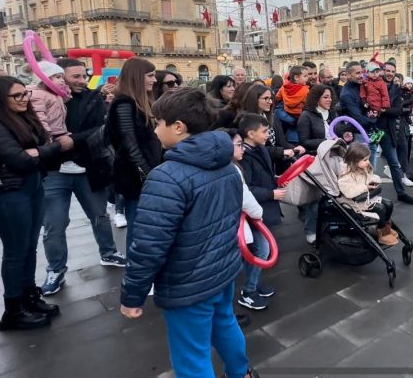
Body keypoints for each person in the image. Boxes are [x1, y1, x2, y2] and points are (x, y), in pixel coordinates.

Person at [119, 88, 260, 378]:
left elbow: (148, 245)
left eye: (159, 122)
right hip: (222, 269)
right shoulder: (228, 164)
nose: (156, 130)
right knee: (225, 323)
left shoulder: (167, 176)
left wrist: (132, 295)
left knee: (191, 354)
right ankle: (241, 372)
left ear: (179, 127)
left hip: (187, 281)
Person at [0, 76, 71, 330]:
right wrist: (46, 150)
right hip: (6, 192)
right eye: (17, 96)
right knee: (16, 251)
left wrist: (40, 151)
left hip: (31, 186)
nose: (25, 99)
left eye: (25, 93)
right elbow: (21, 160)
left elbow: (41, 149)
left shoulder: (22, 116)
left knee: (28, 248)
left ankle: (29, 297)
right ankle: (13, 311)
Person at [40, 59, 125, 297]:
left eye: (83, 75)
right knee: (54, 224)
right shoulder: (40, 97)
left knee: (99, 215)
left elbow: (102, 130)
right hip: (54, 170)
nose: (82, 80)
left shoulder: (93, 98)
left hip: (88, 167)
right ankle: (56, 270)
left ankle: (108, 252)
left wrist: (72, 140)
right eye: (75, 76)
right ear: (57, 76)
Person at [106, 58, 162, 249]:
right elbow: (130, 144)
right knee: (139, 227)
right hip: (135, 176)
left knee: (146, 226)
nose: (154, 80)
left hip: (142, 173)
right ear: (137, 77)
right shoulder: (124, 103)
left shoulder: (139, 102)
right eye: (150, 75)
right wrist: (147, 173)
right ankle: (135, 273)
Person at [237, 113, 288, 301]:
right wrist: (270, 193)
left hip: (262, 208)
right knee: (262, 249)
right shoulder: (244, 157)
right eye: (264, 131)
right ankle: (249, 291)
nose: (268, 135)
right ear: (251, 133)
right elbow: (245, 188)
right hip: (254, 211)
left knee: (259, 249)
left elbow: (264, 175)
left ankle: (254, 282)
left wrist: (275, 181)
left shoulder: (261, 149)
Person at [370, 62, 413, 204]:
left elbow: (398, 111)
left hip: (386, 131)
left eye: (393, 71)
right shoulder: (371, 84)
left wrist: (381, 110)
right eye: (387, 70)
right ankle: (368, 194)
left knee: (394, 163)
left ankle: (401, 192)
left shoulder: (396, 89)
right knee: (367, 164)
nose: (390, 73)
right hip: (370, 129)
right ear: (382, 71)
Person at [297, 84, 337, 242]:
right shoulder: (306, 116)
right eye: (325, 97)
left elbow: (338, 131)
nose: (329, 100)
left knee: (334, 194)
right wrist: (326, 141)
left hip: (332, 159)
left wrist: (345, 136)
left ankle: (331, 224)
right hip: (315, 161)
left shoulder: (333, 113)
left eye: (330, 96)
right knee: (315, 198)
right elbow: (304, 141)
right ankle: (311, 229)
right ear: (316, 98)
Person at [338, 143, 398, 246]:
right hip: (356, 203)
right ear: (355, 161)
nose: (368, 162)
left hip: (367, 198)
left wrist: (374, 180)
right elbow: (349, 193)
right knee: (381, 209)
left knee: (389, 204)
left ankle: (385, 227)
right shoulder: (345, 177)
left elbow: (370, 177)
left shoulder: (361, 169)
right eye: (365, 160)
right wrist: (366, 187)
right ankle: (383, 234)